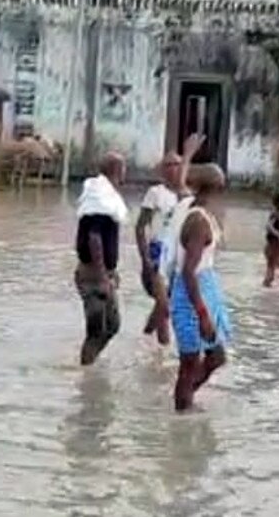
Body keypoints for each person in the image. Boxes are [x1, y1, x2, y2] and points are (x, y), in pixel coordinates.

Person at [164, 163, 233, 412]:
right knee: (189, 363)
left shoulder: (198, 211)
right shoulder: (198, 222)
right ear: (216, 190)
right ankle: (182, 410)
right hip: (192, 295)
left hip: (204, 289)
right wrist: (202, 314)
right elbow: (188, 271)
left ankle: (185, 401)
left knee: (216, 356)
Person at [136, 134, 204, 344]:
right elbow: (140, 227)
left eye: (177, 164)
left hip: (178, 255)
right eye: (168, 165)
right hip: (158, 252)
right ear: (162, 170)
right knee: (164, 307)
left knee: (164, 305)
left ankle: (146, 337)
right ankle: (162, 356)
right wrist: (145, 257)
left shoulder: (187, 195)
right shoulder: (155, 192)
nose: (173, 168)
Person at [74, 152, 130, 366]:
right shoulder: (99, 198)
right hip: (93, 274)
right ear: (117, 170)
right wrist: (102, 275)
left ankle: (88, 365)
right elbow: (94, 238)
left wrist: (111, 271)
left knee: (113, 325)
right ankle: (85, 374)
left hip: (101, 272)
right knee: (97, 330)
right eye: (123, 169)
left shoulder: (103, 197)